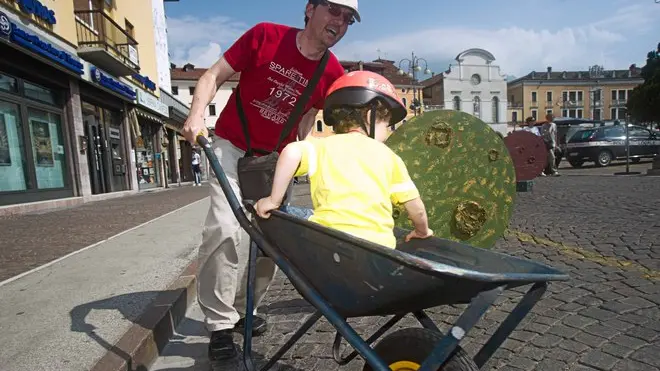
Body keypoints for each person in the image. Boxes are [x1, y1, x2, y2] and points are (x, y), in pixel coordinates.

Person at [180, 0, 358, 363]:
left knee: (268, 243)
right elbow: (213, 75)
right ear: (310, 9)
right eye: (333, 11)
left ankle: (245, 308)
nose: (339, 22)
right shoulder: (265, 36)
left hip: (274, 160)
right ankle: (219, 324)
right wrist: (197, 115)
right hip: (231, 145)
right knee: (226, 228)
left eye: (348, 18)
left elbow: (308, 117)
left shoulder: (331, 72)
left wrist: (298, 153)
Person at [254, 71, 434, 249]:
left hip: (326, 242)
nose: (387, 133)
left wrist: (274, 200)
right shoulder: (390, 157)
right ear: (370, 118)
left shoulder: (322, 147)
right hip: (379, 250)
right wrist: (422, 231)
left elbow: (291, 152)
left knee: (285, 214)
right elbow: (415, 207)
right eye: (386, 126)